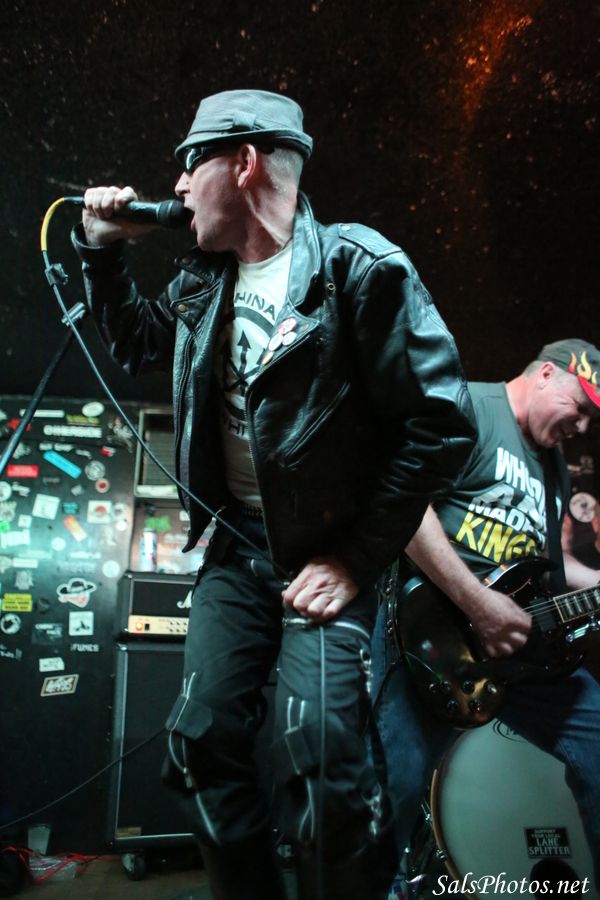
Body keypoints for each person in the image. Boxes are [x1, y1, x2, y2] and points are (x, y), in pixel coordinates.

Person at [72, 89, 476, 900]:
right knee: (200, 742)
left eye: (191, 163)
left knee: (319, 755)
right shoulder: (202, 280)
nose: (177, 186)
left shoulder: (361, 270)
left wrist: (355, 559)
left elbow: (442, 426)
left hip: (326, 552)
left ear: (245, 162)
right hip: (235, 548)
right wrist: (102, 255)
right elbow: (139, 345)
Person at [372, 338, 600, 891]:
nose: (582, 427)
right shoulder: (468, 407)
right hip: (430, 637)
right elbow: (406, 509)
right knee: (392, 789)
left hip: (516, 653)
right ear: (546, 374)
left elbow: (551, 561)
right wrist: (478, 603)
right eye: (580, 408)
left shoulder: (553, 466)